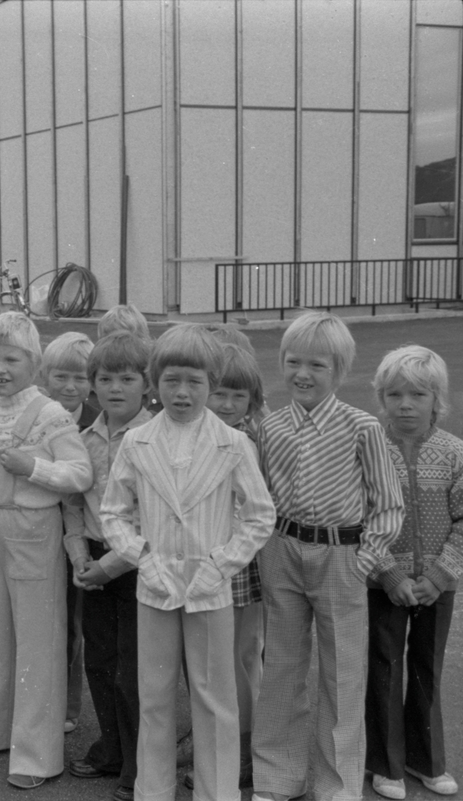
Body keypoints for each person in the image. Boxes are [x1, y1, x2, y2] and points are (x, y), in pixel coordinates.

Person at [101, 324, 275, 801]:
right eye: (171, 380)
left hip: (209, 587)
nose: (182, 392)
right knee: (154, 696)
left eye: (195, 382)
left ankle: (216, 793)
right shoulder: (137, 443)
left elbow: (260, 517)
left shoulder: (234, 444)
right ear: (154, 382)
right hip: (154, 586)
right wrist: (141, 558)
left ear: (211, 383)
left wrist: (221, 564)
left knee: (215, 699)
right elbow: (114, 513)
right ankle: (152, 790)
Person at [252, 311, 404, 801]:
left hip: (342, 555)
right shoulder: (270, 428)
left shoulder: (362, 428)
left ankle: (336, 785)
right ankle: (278, 778)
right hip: (282, 549)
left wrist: (368, 557)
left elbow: (387, 502)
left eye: (316, 365)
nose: (302, 373)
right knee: (280, 668)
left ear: (338, 370)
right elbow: (260, 498)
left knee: (342, 673)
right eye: (293, 362)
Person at [0, 312, 93, 790]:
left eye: (10, 359)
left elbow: (79, 475)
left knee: (38, 640)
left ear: (33, 362)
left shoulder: (51, 414)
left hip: (35, 529)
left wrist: (34, 467)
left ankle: (37, 755)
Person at [64, 332, 155, 801]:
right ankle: (112, 747)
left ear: (147, 384)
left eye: (127, 378)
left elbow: (151, 521)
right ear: (91, 385)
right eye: (105, 378)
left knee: (134, 670)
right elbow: (75, 503)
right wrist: (80, 556)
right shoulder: (83, 439)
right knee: (99, 660)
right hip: (94, 562)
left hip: (136, 566)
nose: (115, 388)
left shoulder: (155, 439)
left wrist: (110, 566)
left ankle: (140, 766)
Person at [366, 346, 460, 800]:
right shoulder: (367, 447)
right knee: (383, 666)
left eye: (418, 394)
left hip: (437, 585)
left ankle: (426, 760)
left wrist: (440, 575)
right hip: (383, 583)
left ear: (436, 399)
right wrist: (389, 574)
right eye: (395, 394)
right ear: (382, 398)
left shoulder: (455, 452)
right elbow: (358, 516)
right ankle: (385, 764)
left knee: (428, 667)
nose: (406, 404)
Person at [184, 341, 267, 791]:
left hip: (240, 565)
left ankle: (243, 747)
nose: (230, 405)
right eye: (221, 394)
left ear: (253, 400)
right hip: (202, 563)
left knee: (238, 657)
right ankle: (214, 737)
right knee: (209, 659)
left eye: (240, 396)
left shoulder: (249, 442)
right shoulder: (192, 434)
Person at [41, 330, 99, 732]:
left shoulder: (97, 422)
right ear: (45, 376)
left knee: (76, 625)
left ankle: (68, 707)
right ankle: (41, 699)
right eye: (61, 376)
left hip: (80, 534)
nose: (71, 386)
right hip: (41, 527)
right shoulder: (38, 414)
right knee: (46, 620)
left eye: (80, 378)